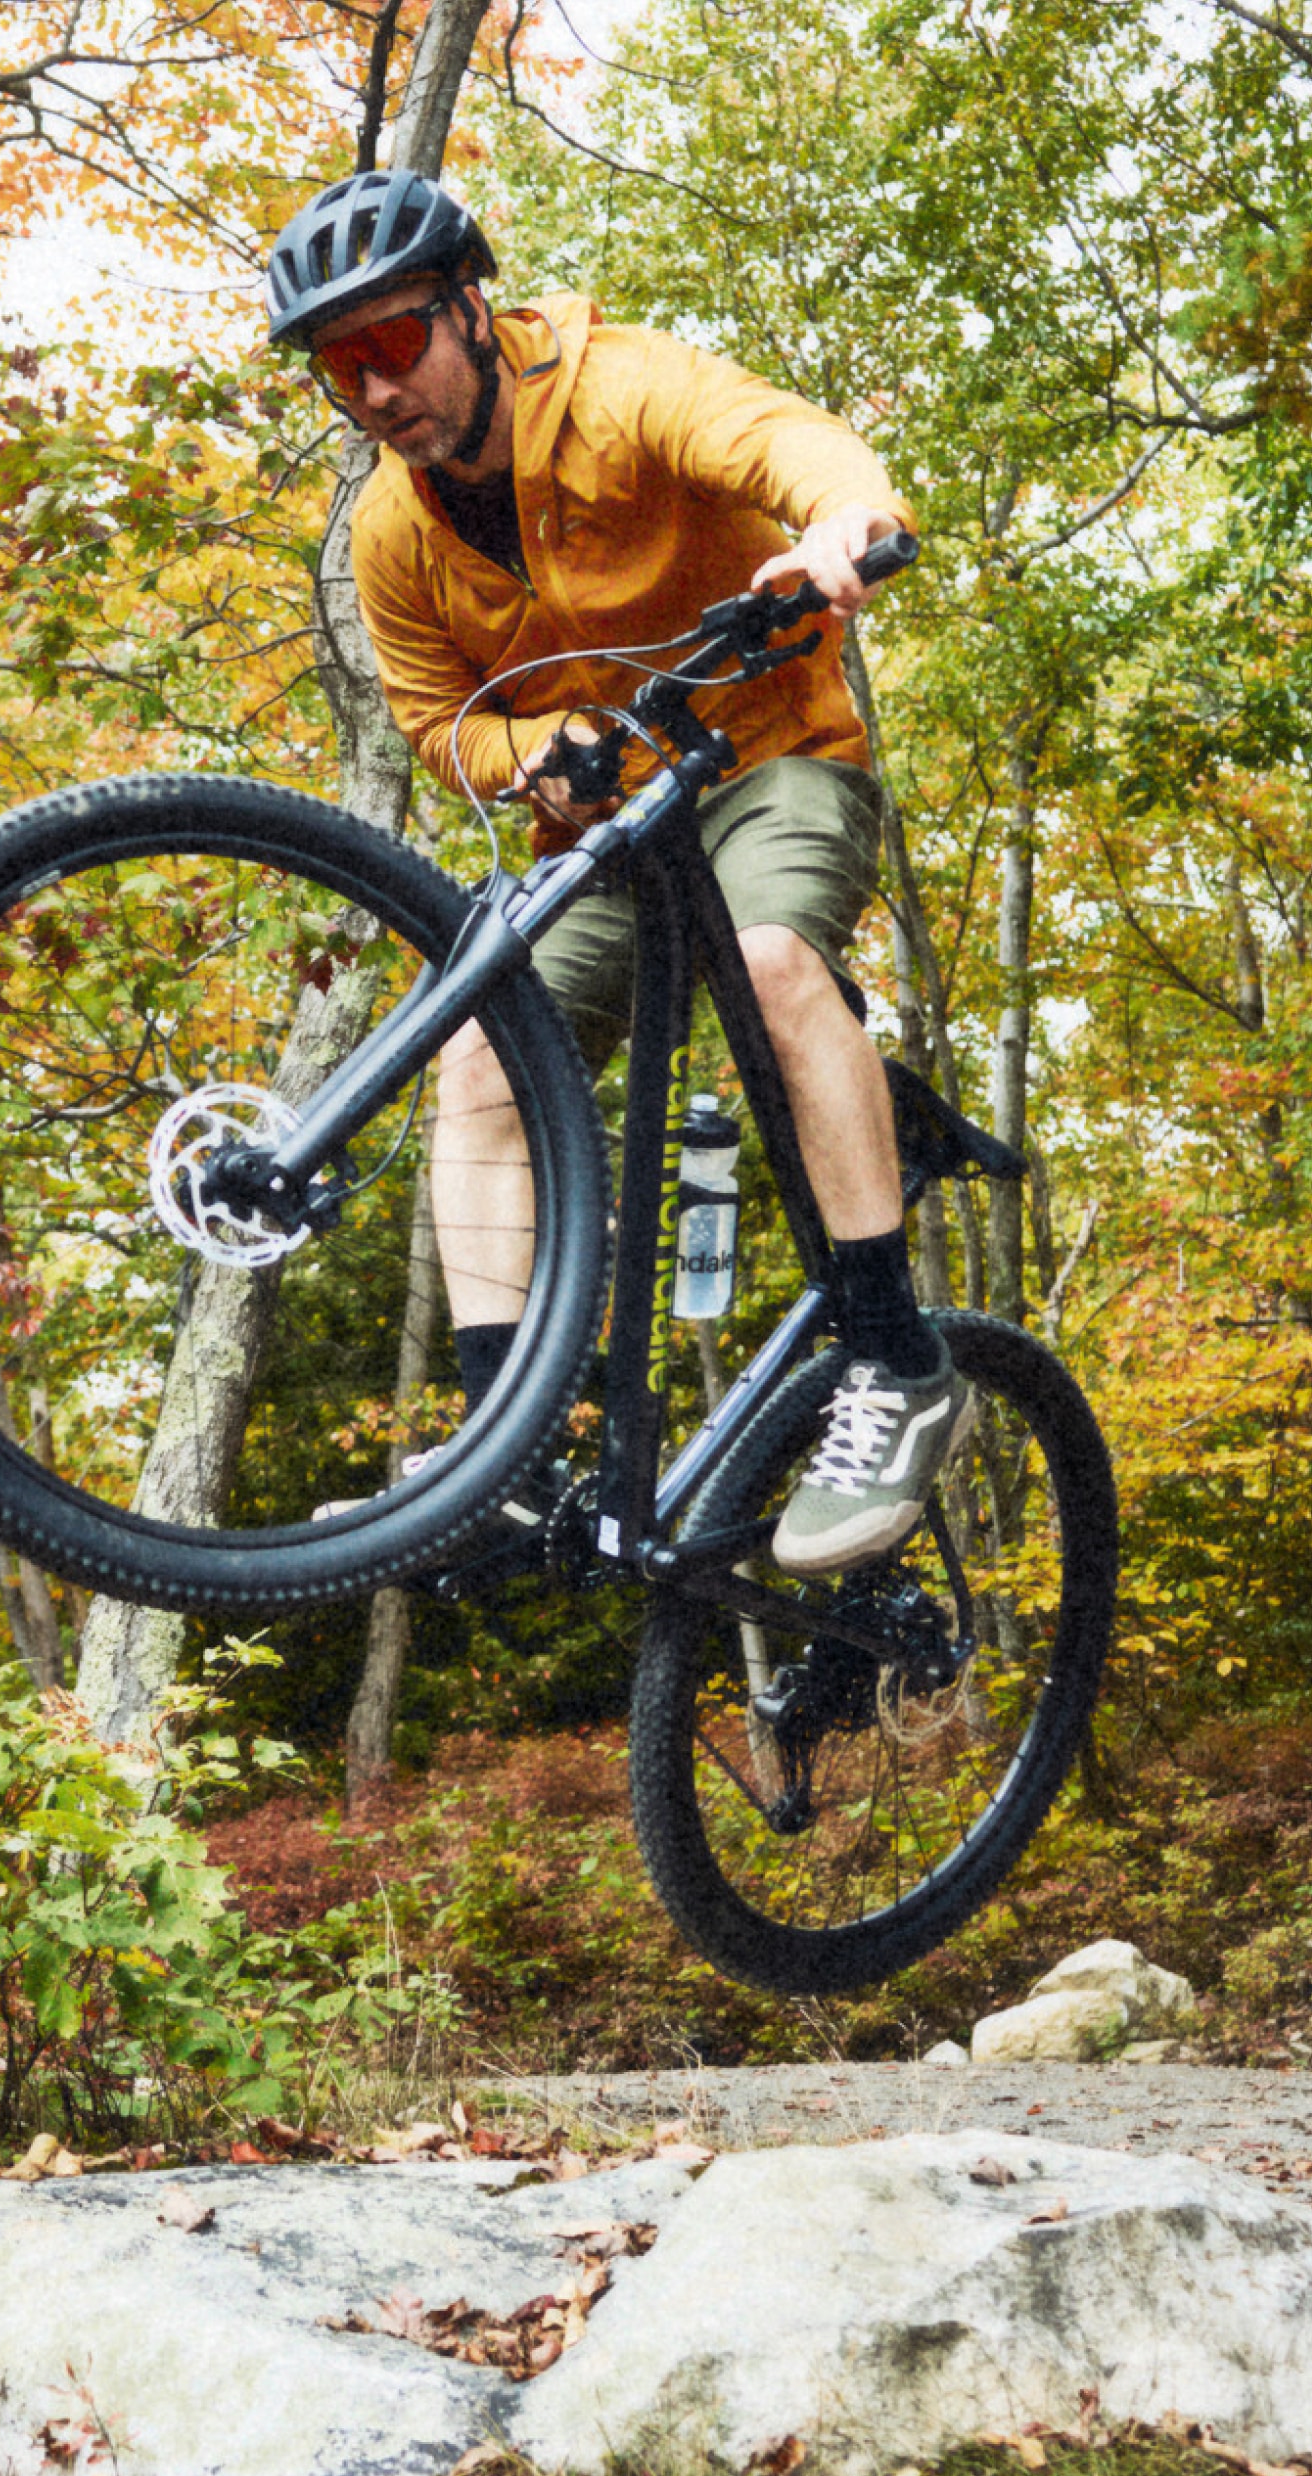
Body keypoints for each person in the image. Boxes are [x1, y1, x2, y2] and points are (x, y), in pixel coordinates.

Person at [266, 169, 969, 1572]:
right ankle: (503, 1455)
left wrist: (838, 525)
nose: (373, 391)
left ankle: (897, 1365)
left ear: (472, 306)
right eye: (341, 370)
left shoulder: (624, 390)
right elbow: (436, 725)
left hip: (772, 761)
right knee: (478, 1057)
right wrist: (531, 747)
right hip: (605, 834)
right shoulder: (390, 535)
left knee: (771, 970)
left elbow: (790, 443)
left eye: (393, 344)